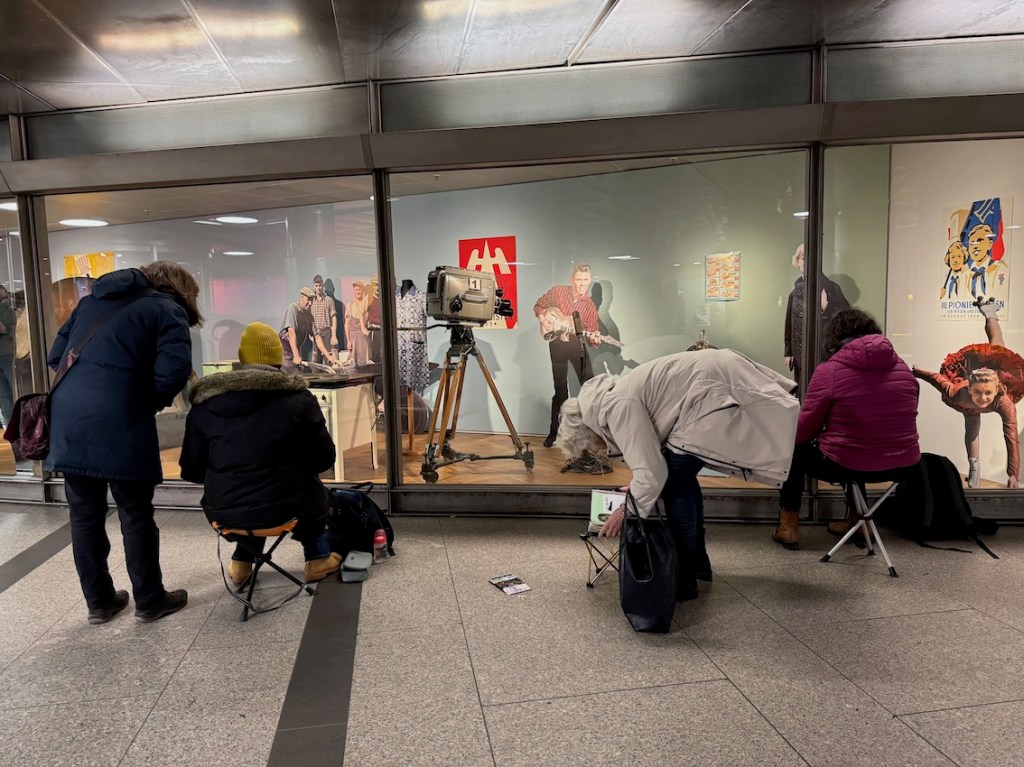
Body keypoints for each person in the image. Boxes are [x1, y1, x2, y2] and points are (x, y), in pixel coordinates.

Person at [557, 349, 799, 600]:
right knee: (680, 476)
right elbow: (650, 462)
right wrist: (641, 484)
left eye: (591, 447)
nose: (599, 451)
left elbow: (652, 472)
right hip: (710, 386)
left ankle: (683, 577)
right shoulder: (609, 398)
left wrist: (624, 511)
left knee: (675, 482)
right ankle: (698, 563)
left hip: (708, 395)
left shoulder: (615, 408)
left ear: (587, 431)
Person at [46, 262, 202, 624]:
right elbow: (173, 372)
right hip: (121, 418)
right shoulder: (166, 309)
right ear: (181, 289)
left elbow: (56, 357)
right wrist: (142, 402)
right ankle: (150, 600)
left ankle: (100, 603)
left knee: (84, 514)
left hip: (68, 420)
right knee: (135, 512)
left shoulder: (90, 303)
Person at [179, 322, 342, 584]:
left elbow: (192, 470)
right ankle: (317, 558)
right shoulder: (299, 400)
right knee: (308, 486)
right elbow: (324, 459)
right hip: (289, 510)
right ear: (277, 358)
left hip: (224, 513)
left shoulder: (205, 405)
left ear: (242, 359)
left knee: (250, 491)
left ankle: (241, 563)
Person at [773, 309, 921, 549]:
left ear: (835, 338)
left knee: (795, 449)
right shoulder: (903, 368)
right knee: (856, 446)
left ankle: (788, 527)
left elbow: (803, 433)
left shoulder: (829, 371)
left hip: (849, 463)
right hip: (903, 465)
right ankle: (859, 521)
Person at [914, 298, 1024, 488]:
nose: (983, 399)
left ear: (997, 390)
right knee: (972, 427)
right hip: (971, 378)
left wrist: (1013, 474)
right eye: (977, 393)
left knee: (997, 346)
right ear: (969, 389)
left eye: (987, 394)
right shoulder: (959, 393)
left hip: (994, 370)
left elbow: (1011, 438)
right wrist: (917, 372)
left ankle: (990, 313)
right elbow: (935, 378)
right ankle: (974, 469)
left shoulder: (1004, 402)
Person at [534, 263, 600, 447]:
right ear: (572, 279)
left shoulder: (589, 306)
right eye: (579, 279)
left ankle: (593, 433)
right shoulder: (558, 291)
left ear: (590, 280)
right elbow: (539, 305)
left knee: (590, 387)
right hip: (557, 346)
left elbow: (592, 334)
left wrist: (595, 339)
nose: (582, 284)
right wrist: (544, 319)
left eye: (585, 280)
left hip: (577, 346)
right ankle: (554, 433)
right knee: (560, 390)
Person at [784, 244, 851, 386]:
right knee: (804, 389)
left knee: (823, 387)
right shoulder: (794, 294)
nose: (807, 262)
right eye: (803, 258)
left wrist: (826, 307)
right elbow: (789, 324)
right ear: (797, 262)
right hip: (800, 353)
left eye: (811, 258)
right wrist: (788, 352)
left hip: (824, 351)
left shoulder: (831, 288)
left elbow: (847, 319)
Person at [279, 286, 336, 373]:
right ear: (301, 297)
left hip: (295, 347)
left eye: (312, 300)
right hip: (284, 348)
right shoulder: (293, 309)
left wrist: (329, 357)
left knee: (299, 372)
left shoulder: (309, 316)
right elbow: (291, 333)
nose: (310, 303)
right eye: (308, 300)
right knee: (290, 371)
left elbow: (317, 338)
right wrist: (296, 356)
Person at [309, 274, 339, 365]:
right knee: (315, 362)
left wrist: (334, 335)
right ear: (313, 287)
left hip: (327, 333)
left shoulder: (329, 300)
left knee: (329, 360)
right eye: (316, 286)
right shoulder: (311, 301)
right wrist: (310, 334)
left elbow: (333, 317)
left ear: (323, 286)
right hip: (316, 334)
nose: (318, 288)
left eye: (320, 285)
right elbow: (309, 319)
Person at [0, 284, 16, 429]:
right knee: (5, 395)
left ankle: (15, 426)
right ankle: (11, 427)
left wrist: (6, 329)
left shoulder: (11, 309)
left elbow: (20, 330)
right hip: (6, 354)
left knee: (12, 390)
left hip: (8, 354)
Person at [345, 280, 370, 366]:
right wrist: (348, 341)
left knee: (365, 363)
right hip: (353, 339)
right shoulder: (350, 305)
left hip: (364, 338)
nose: (358, 292)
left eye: (359, 289)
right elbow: (347, 324)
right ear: (353, 291)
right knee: (353, 363)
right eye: (356, 290)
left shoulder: (366, 303)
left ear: (363, 290)